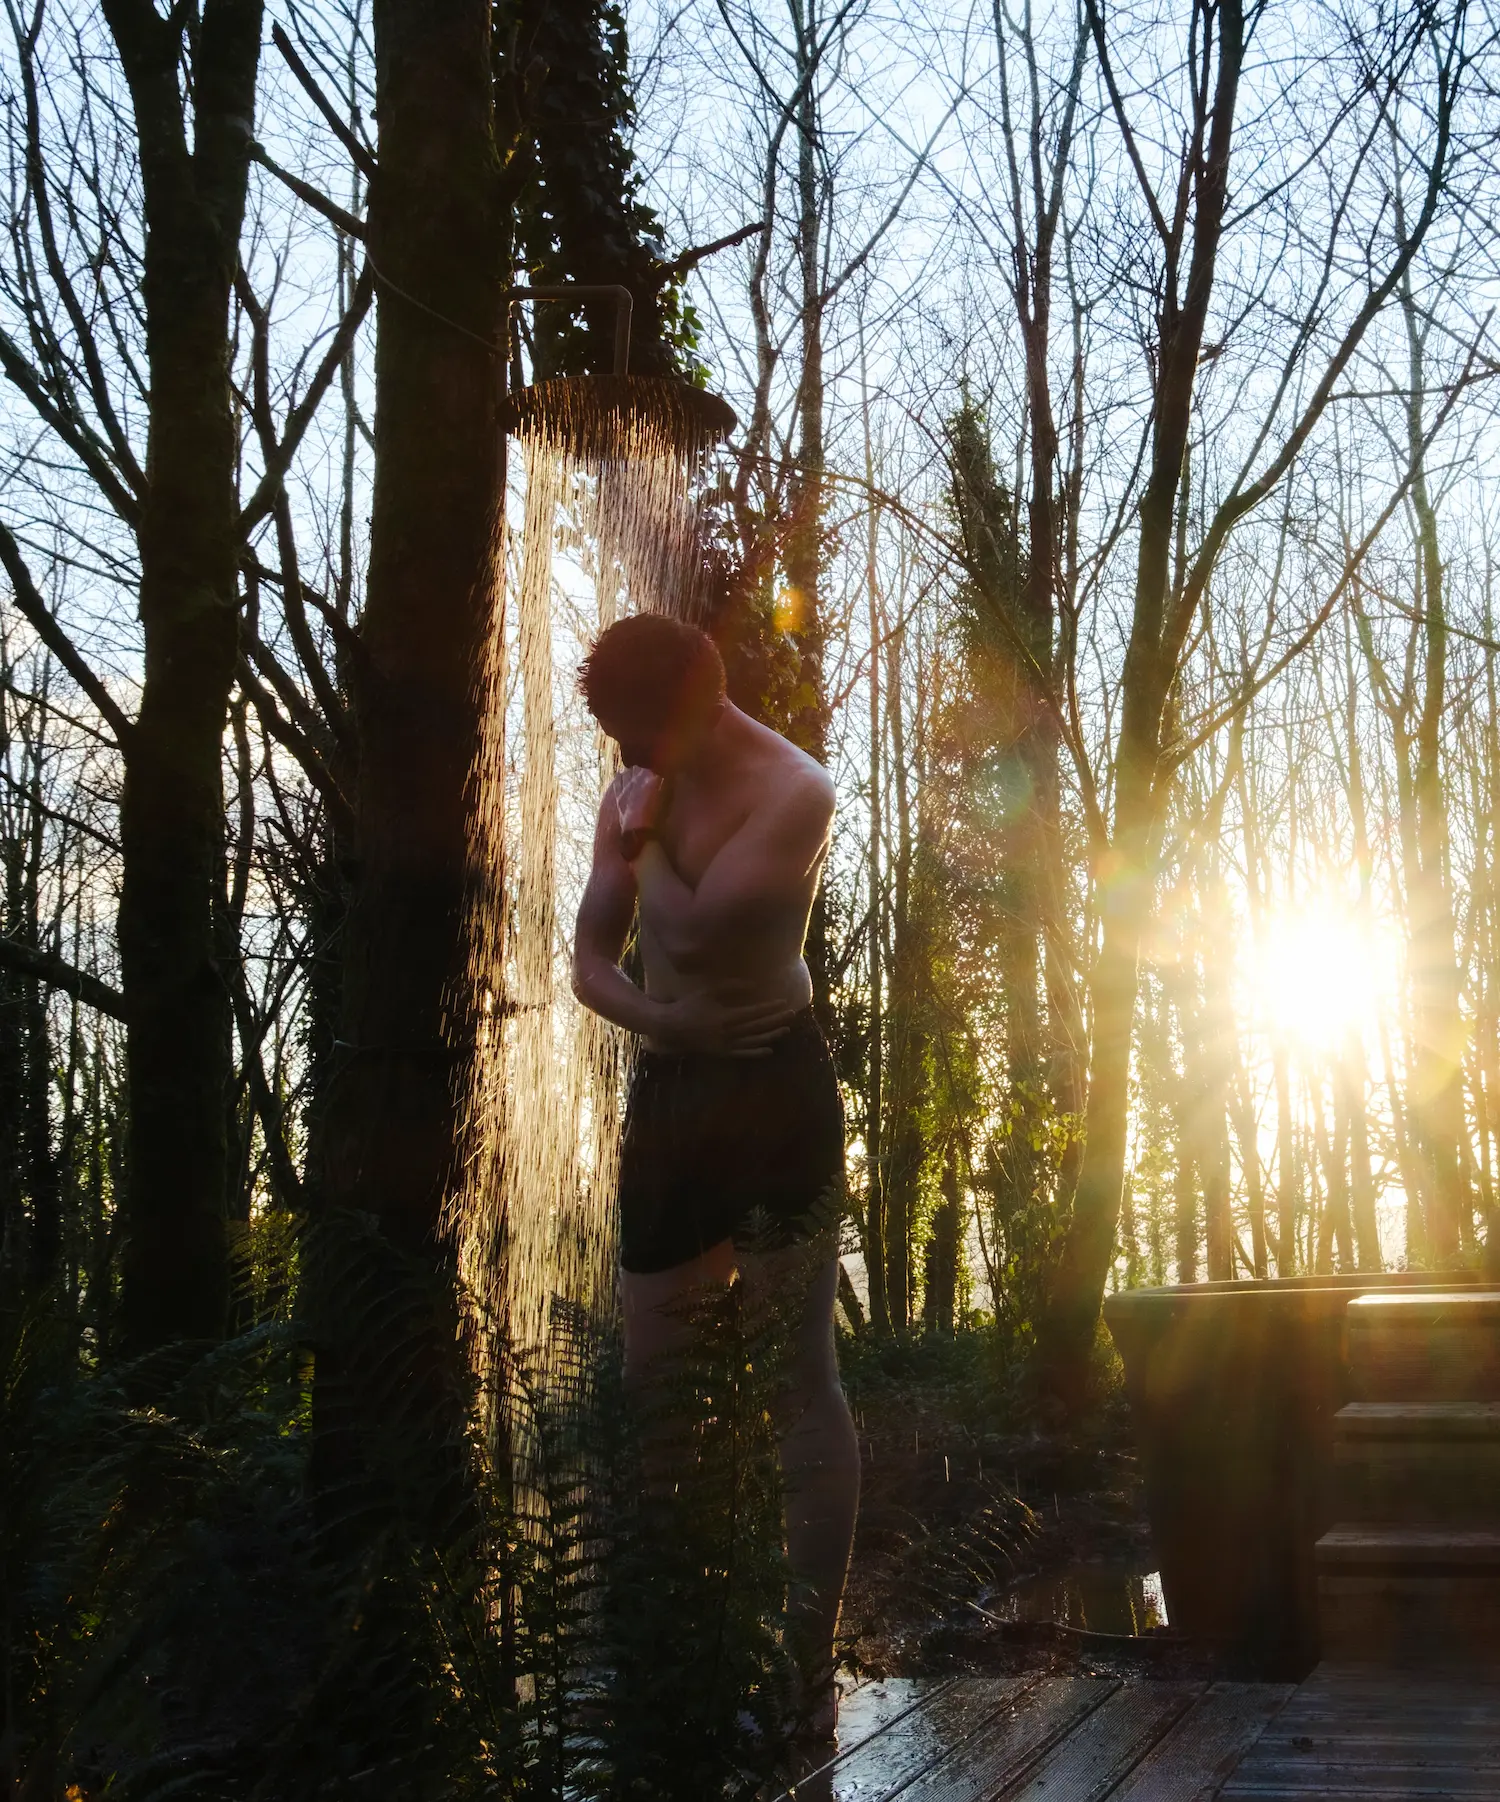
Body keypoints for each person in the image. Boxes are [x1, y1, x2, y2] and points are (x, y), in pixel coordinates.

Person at [571, 611, 860, 1741]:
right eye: (615, 742)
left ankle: (806, 1665)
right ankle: (684, 1653)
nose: (625, 763)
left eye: (638, 734)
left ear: (696, 702)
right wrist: (657, 1019)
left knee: (799, 1376)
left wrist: (641, 846)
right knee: (659, 1391)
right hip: (678, 1088)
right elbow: (593, 959)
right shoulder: (637, 783)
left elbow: (708, 914)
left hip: (775, 1086)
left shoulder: (799, 791)